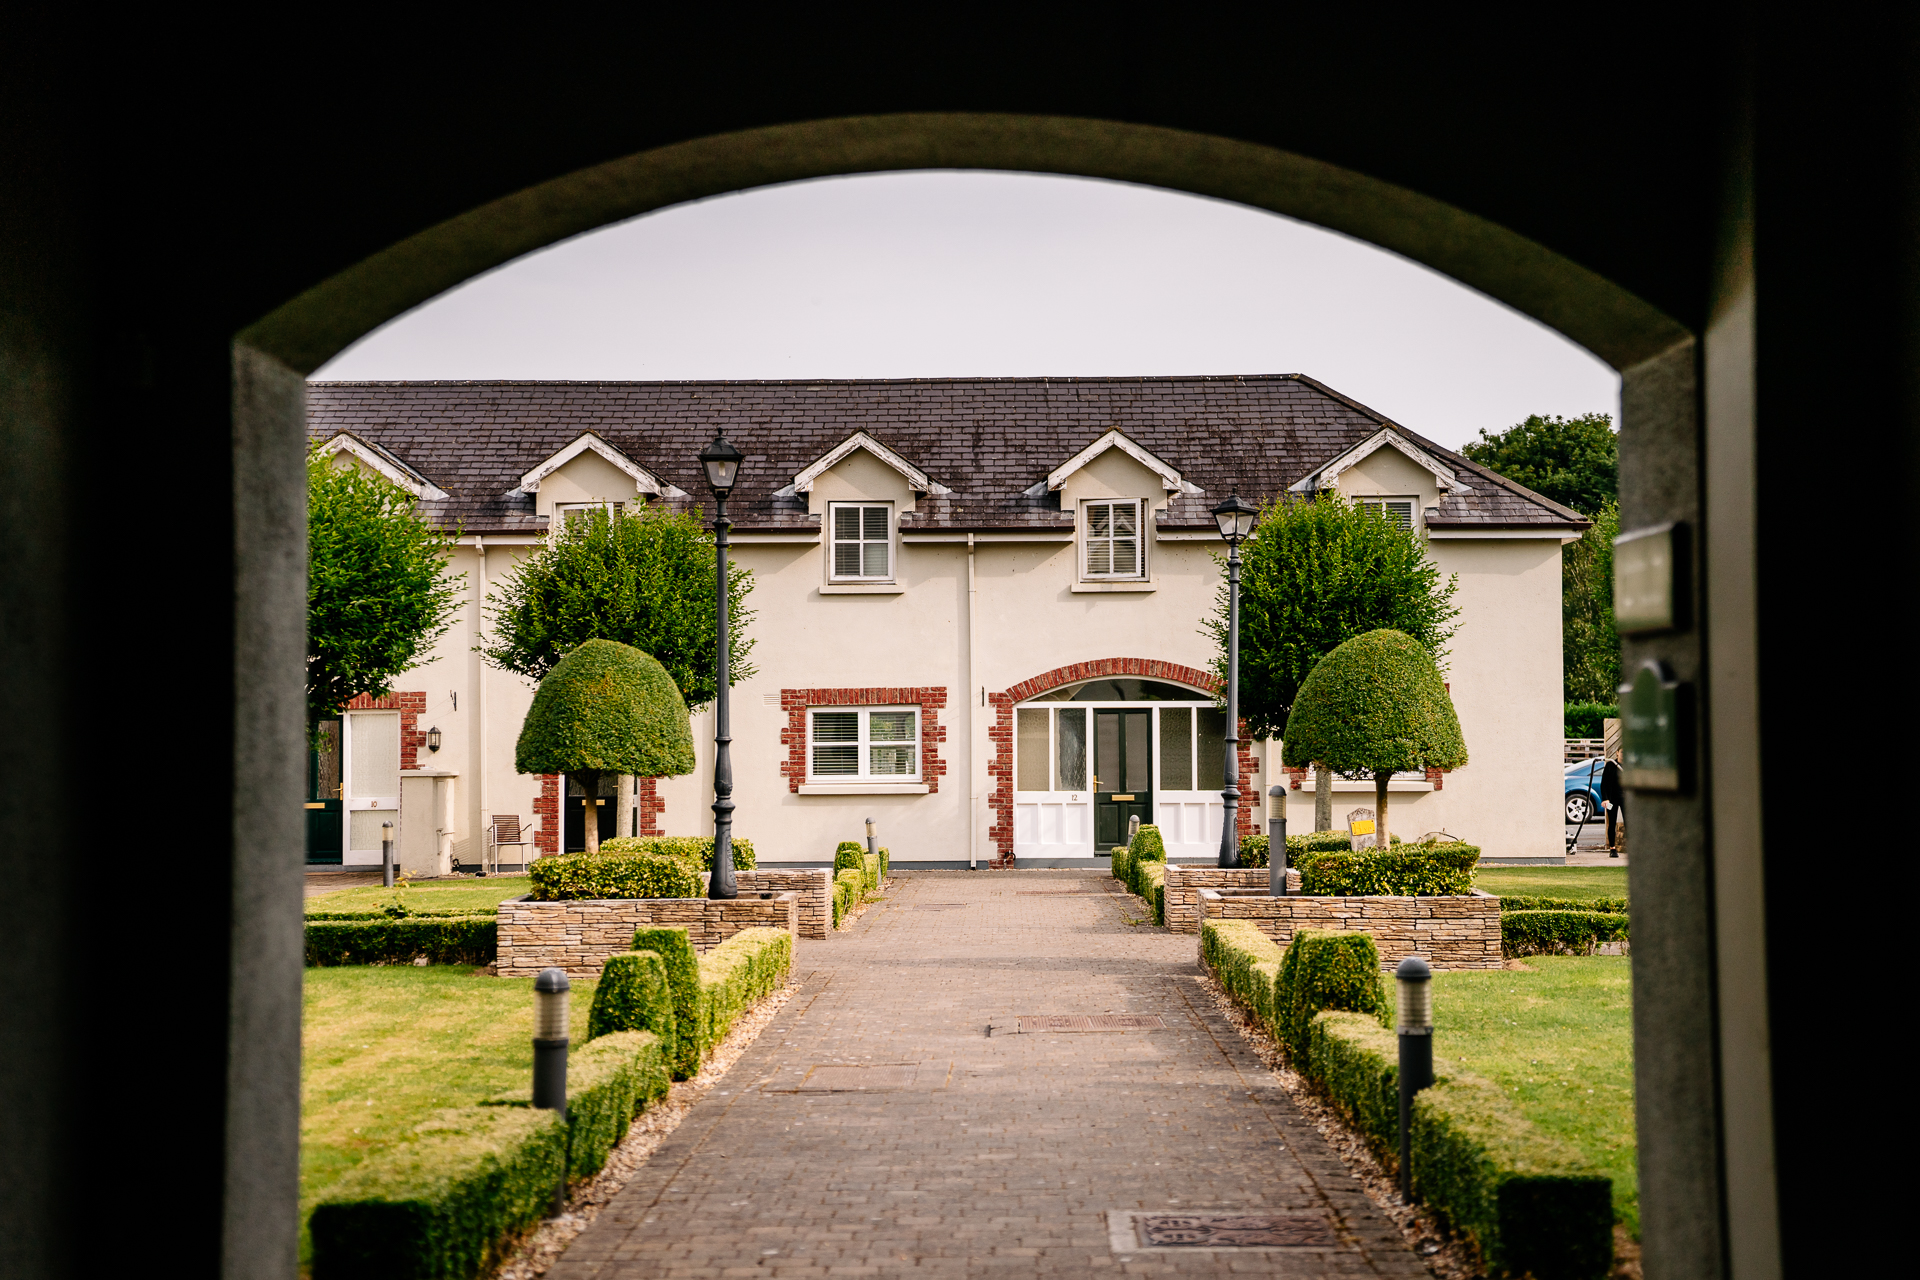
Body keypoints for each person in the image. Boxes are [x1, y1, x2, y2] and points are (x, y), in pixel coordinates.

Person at [1600, 755, 1624, 856]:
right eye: (1622, 752)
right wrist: (1605, 799)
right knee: (1612, 822)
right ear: (1617, 753)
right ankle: (1612, 849)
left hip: (1624, 799)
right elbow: (1604, 783)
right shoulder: (1610, 765)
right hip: (1611, 800)